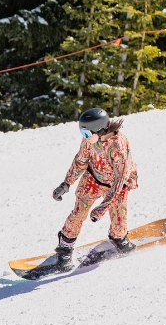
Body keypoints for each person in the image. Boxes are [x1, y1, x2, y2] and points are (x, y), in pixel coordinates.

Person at [51, 108, 139, 266]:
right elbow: (80, 161)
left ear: (99, 130)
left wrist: (103, 208)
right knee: (78, 213)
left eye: (85, 133)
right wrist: (66, 183)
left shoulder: (118, 145)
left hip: (116, 186)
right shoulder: (89, 140)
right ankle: (65, 248)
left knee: (119, 221)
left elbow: (120, 180)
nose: (83, 137)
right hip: (93, 179)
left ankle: (118, 237)